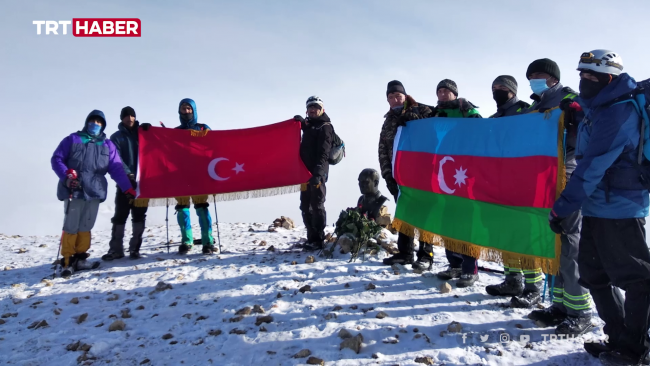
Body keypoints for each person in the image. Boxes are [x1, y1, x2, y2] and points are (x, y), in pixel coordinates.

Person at [550, 50, 650, 365]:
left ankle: (635, 347)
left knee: (636, 279)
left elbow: (592, 165)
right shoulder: (600, 108)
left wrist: (562, 207)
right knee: (594, 274)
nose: (584, 80)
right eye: (581, 73)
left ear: (609, 79)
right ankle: (618, 337)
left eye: (592, 75)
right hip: (597, 205)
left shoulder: (619, 112)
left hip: (621, 207)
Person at [517, 59, 592, 335]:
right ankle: (560, 306)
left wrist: (574, 115)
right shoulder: (535, 106)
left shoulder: (572, 98)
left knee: (570, 245)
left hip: (567, 178)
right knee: (552, 244)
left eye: (537, 75)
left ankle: (581, 311)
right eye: (530, 76)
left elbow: (588, 126)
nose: (532, 80)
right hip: (542, 182)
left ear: (551, 77)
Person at [51, 110, 135, 276]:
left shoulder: (107, 145)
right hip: (74, 189)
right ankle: (67, 260)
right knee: (71, 226)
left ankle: (81, 258)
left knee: (86, 226)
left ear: (103, 125)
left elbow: (117, 168)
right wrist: (66, 176)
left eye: (99, 122)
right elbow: (57, 159)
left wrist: (128, 188)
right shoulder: (73, 139)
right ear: (87, 122)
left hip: (95, 191)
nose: (95, 124)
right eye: (93, 121)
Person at [143, 99, 215, 255]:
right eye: (184, 108)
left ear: (194, 110)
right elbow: (159, 147)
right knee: (182, 208)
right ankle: (186, 241)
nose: (187, 111)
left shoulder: (203, 128)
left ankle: (207, 241)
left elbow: (214, 145)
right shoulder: (174, 132)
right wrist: (149, 132)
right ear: (179, 111)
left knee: (202, 206)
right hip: (179, 174)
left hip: (200, 173)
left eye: (189, 108)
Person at [378, 80, 435, 270]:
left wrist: (413, 118)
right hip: (400, 177)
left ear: (405, 96)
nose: (395, 99)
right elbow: (383, 151)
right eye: (391, 96)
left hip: (423, 174)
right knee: (405, 214)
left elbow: (437, 124)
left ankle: (426, 255)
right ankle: (405, 253)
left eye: (398, 96)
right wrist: (388, 176)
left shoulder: (423, 110)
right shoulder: (388, 121)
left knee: (425, 216)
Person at [485, 75, 534, 296]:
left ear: (513, 91)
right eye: (494, 87)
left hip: (523, 184)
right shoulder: (493, 118)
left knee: (525, 235)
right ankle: (512, 280)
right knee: (505, 233)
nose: (497, 91)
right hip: (499, 184)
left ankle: (533, 285)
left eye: (502, 88)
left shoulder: (527, 112)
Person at [433, 79, 482, 287]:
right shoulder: (434, 114)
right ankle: (454, 264)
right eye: (440, 91)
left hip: (464, 174)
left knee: (465, 221)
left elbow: (482, 132)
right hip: (444, 173)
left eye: (447, 91)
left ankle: (470, 268)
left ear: (455, 93)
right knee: (447, 220)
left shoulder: (467, 111)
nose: (443, 94)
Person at [102, 106, 148, 261]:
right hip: (124, 183)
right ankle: (116, 250)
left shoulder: (143, 134)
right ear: (122, 119)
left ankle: (135, 249)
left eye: (132, 116)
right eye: (126, 116)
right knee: (120, 216)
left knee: (139, 216)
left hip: (143, 184)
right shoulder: (116, 137)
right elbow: (116, 158)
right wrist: (128, 174)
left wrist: (151, 131)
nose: (130, 118)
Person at [295, 96, 333, 251]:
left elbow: (324, 153)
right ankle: (311, 237)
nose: (312, 110)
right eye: (310, 107)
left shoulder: (325, 127)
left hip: (317, 173)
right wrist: (302, 124)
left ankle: (318, 239)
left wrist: (318, 173)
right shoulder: (310, 126)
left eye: (316, 107)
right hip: (304, 174)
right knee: (305, 205)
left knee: (316, 205)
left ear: (321, 109)